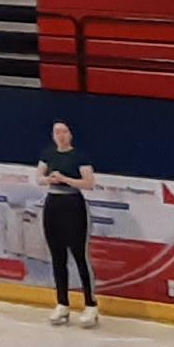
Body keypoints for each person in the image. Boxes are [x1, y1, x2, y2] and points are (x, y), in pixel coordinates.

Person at [37, 117, 101, 326]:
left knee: (79, 256)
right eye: (57, 132)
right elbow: (39, 177)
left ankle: (91, 304)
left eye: (64, 131)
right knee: (57, 256)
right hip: (53, 204)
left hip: (73, 205)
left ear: (70, 134)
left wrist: (66, 179)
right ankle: (62, 303)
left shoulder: (78, 156)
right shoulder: (48, 154)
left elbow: (89, 182)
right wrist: (49, 180)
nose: (60, 135)